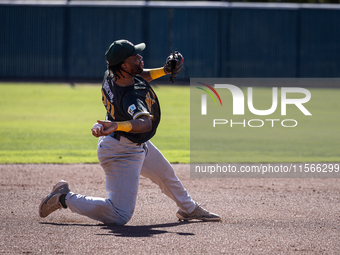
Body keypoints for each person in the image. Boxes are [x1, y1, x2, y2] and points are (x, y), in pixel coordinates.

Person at [39, 39, 221, 225]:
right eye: (135, 56)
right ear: (124, 65)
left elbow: (141, 76)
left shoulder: (112, 74)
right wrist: (118, 125)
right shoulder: (130, 97)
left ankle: (189, 209)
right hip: (121, 151)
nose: (140, 57)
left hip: (127, 140)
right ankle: (64, 198)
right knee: (119, 214)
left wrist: (165, 70)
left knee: (166, 175)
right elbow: (144, 123)